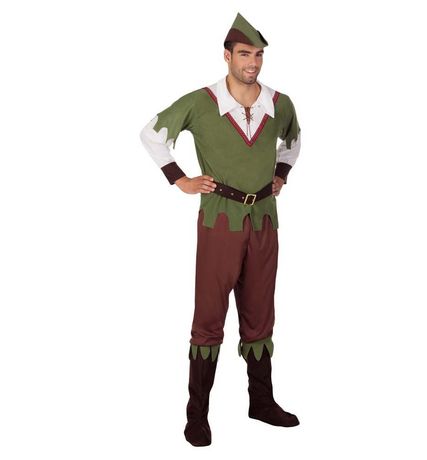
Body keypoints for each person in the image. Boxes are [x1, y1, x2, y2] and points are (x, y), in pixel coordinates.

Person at [139, 12, 302, 447]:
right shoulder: (201, 102)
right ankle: (197, 415)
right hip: (219, 220)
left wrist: (281, 175)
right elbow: (152, 134)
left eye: (259, 55)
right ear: (227, 56)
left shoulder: (279, 103)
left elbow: (293, 141)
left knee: (260, 311)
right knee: (209, 316)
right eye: (245, 54)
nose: (253, 62)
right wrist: (180, 179)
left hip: (265, 219)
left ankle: (261, 402)